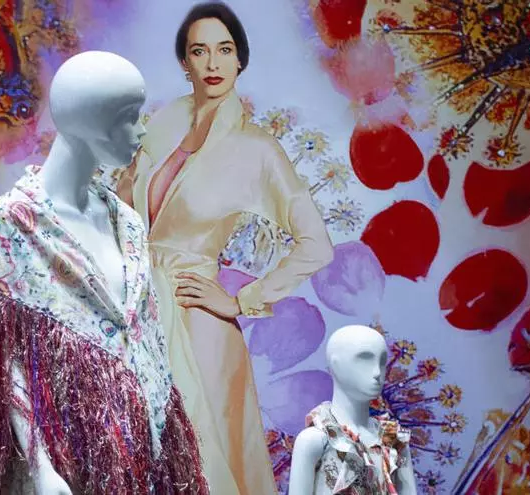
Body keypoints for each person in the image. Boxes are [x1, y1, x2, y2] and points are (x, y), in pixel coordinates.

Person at [0, 51, 207, 494]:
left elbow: (145, 336)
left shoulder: (126, 222)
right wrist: (39, 466)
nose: (143, 130)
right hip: (71, 454)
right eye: (129, 117)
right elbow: (3, 358)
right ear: (89, 122)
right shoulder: (17, 220)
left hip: (150, 448)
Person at [117, 2, 334, 493]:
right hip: (136, 312)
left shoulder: (257, 149)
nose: (213, 63)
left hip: (199, 325)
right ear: (184, 62)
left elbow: (316, 245)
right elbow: (122, 213)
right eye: (200, 51)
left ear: (241, 60)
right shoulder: (157, 131)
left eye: (225, 50)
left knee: (204, 464)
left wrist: (240, 300)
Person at [289, 325, 416, 495]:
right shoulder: (315, 440)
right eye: (364, 359)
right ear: (336, 365)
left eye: (382, 361)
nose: (377, 372)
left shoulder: (394, 440)